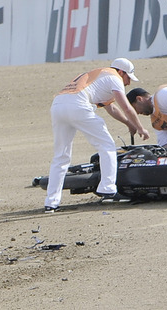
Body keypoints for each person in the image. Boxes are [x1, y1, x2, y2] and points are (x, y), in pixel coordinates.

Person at [44, 58, 150, 213]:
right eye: (128, 78)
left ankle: (51, 203)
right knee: (106, 145)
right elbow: (126, 107)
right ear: (121, 72)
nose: (128, 83)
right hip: (78, 105)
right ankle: (108, 189)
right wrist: (141, 128)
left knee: (61, 156)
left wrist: (129, 124)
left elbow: (112, 109)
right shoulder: (114, 77)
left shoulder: (99, 75)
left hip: (58, 105)